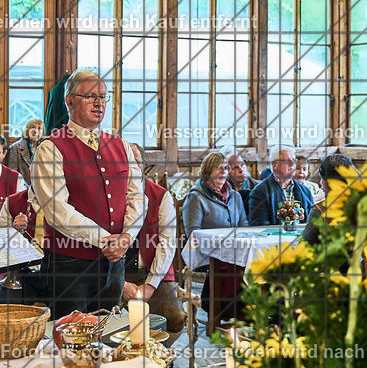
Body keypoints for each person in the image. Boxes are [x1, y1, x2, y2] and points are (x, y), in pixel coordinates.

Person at [30, 68, 145, 317]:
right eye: (91, 96)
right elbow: (57, 210)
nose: (99, 103)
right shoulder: (50, 148)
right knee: (70, 335)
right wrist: (106, 240)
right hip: (69, 265)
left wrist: (127, 237)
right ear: (70, 100)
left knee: (109, 330)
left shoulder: (122, 146)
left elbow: (137, 197)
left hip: (114, 264)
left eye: (103, 97)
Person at [123, 144, 184, 343]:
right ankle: (124, 355)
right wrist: (120, 283)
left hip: (154, 270)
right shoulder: (106, 196)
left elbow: (167, 244)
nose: (131, 167)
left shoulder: (161, 196)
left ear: (144, 165)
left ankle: (157, 353)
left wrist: (150, 285)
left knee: (175, 318)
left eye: (136, 162)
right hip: (118, 274)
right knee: (110, 322)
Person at [183, 152, 248, 324]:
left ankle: (252, 314)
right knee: (232, 267)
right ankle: (224, 313)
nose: (223, 172)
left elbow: (244, 226)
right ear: (207, 171)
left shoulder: (235, 196)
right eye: (218, 168)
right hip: (207, 254)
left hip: (234, 251)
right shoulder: (196, 197)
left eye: (226, 168)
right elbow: (193, 234)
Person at [248, 147, 315, 226]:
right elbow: (259, 226)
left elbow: (312, 223)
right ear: (275, 165)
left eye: (294, 161)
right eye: (287, 161)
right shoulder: (259, 192)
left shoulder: (306, 191)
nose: (292, 164)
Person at [302, 154, 357, 245]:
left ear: (328, 184)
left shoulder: (319, 211)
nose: (320, 183)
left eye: (322, 179)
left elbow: (307, 243)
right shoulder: (363, 204)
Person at [6, 118, 44, 185]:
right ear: (27, 130)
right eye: (33, 127)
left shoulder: (45, 147)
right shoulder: (15, 148)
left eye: (39, 128)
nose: (36, 131)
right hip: (23, 187)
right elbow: (12, 175)